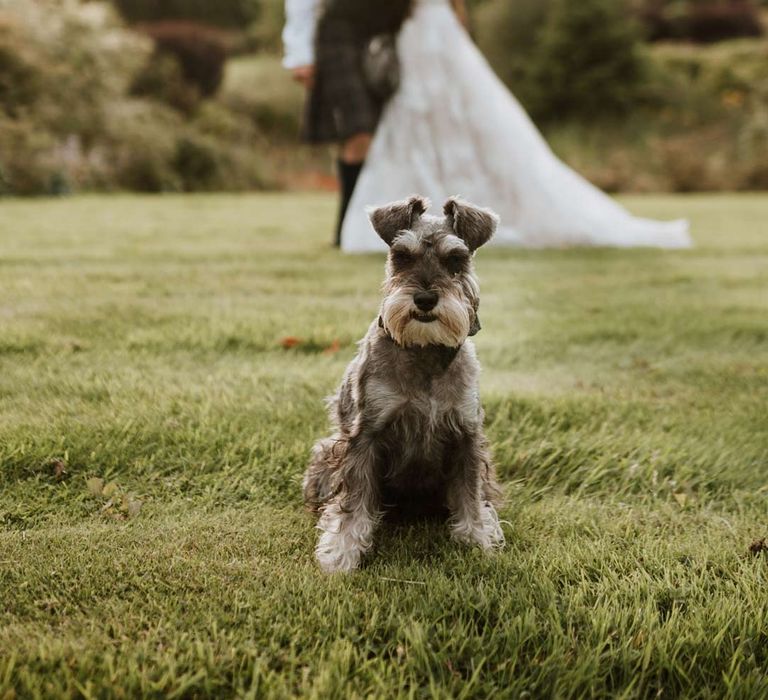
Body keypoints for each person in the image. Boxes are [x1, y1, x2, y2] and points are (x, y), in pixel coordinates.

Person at [340, 0, 692, 252]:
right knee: (422, 119)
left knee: (442, 118)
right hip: (422, 36)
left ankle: (452, 211)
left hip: (431, 35)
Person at [282, 0, 412, 246]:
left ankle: (358, 229)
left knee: (371, 133)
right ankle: (347, 231)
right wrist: (300, 54)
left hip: (383, 35)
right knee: (358, 131)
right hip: (339, 32)